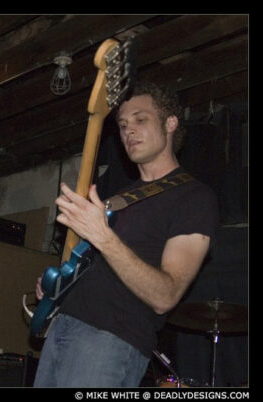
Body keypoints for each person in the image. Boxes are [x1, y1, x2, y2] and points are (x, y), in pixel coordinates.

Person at [33, 82, 219, 387]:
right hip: (62, 331)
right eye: (122, 125)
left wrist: (103, 236)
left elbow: (166, 295)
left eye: (140, 120)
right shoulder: (116, 200)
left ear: (171, 123)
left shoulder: (194, 198)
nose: (128, 131)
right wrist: (57, 289)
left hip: (109, 341)